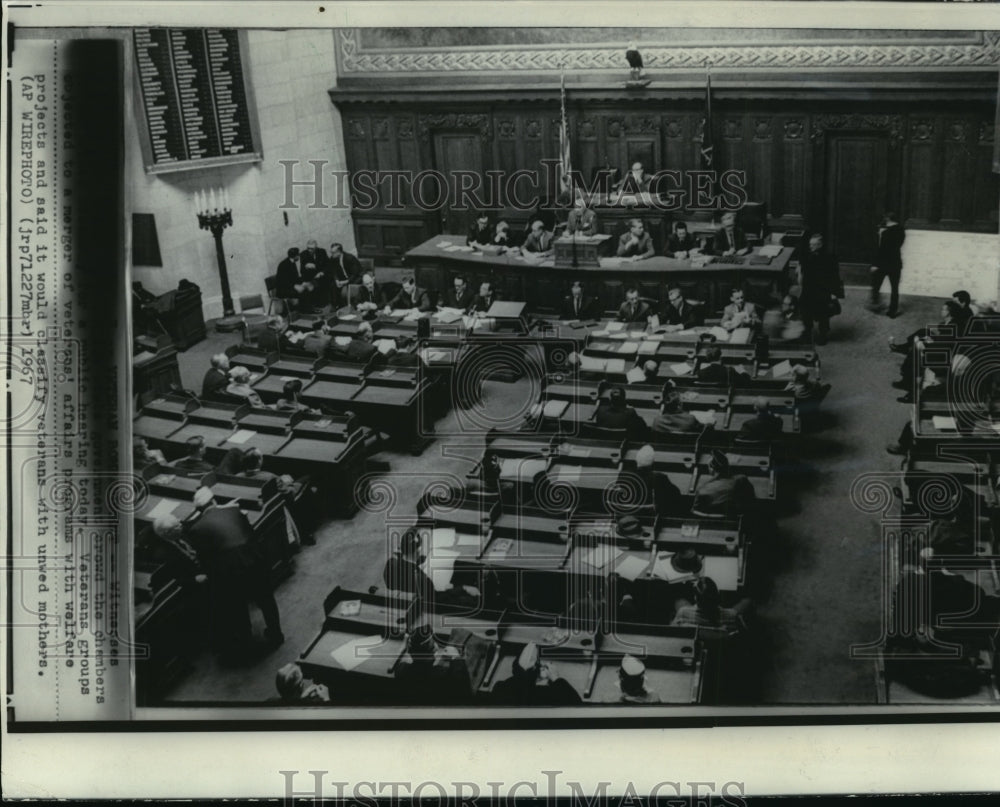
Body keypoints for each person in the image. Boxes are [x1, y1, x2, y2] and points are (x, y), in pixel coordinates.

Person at [186, 486, 284, 658]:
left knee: (238, 606)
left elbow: (206, 560)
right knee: (266, 598)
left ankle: (247, 642)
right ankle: (276, 634)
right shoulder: (234, 510)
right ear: (214, 501)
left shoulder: (196, 529)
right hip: (254, 559)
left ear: (198, 510)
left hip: (230, 572)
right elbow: (249, 532)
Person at [382, 528, 476, 607]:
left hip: (411, 593)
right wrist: (462, 588)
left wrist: (417, 565)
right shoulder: (423, 580)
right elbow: (439, 597)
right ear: (418, 550)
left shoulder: (390, 563)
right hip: (430, 600)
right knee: (470, 600)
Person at [492, 642, 582, 705]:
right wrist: (556, 678)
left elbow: (519, 682)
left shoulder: (500, 688)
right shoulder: (547, 695)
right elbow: (577, 706)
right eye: (537, 663)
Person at [797, 232, 842, 345]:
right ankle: (807, 332)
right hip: (809, 288)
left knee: (823, 314)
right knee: (805, 311)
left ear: (820, 245)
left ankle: (823, 334)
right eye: (810, 244)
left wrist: (834, 292)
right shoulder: (807, 257)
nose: (810, 246)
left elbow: (834, 277)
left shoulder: (829, 258)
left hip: (823, 290)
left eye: (813, 244)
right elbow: (802, 273)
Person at [691, 449, 757, 518]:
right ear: (727, 465)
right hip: (736, 524)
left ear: (711, 468)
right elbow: (751, 503)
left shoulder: (701, 490)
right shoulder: (741, 480)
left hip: (711, 526)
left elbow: (696, 512)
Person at [671, 576, 751, 630]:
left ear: (696, 599)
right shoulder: (733, 617)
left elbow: (672, 631)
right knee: (746, 601)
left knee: (680, 601)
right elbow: (743, 635)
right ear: (717, 595)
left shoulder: (682, 613)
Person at [868, 211, 905, 318]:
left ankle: (875, 304)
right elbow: (897, 246)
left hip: (883, 264)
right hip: (896, 263)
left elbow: (882, 250)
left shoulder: (885, 232)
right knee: (895, 288)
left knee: (876, 285)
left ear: (887, 218)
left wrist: (875, 264)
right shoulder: (901, 229)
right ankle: (892, 311)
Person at [633, 443, 683, 515]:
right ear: (653, 462)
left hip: (628, 518)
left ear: (636, 460)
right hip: (651, 518)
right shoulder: (660, 478)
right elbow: (676, 495)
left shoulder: (624, 475)